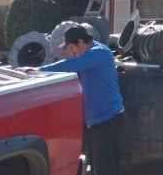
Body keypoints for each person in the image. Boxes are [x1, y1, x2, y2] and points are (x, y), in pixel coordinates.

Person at [18, 24, 124, 175]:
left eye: (70, 47)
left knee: (106, 164)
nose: (70, 51)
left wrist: (39, 70)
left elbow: (71, 65)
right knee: (95, 162)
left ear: (80, 43)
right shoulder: (86, 56)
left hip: (108, 117)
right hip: (94, 118)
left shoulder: (99, 52)